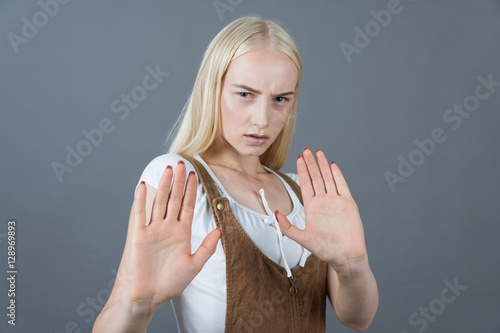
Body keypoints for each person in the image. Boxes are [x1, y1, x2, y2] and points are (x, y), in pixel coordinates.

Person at [93, 16, 378, 333]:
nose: (262, 120)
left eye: (280, 99)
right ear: (212, 89)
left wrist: (352, 264)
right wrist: (139, 304)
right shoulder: (180, 179)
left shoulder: (305, 194)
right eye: (245, 94)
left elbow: (357, 318)